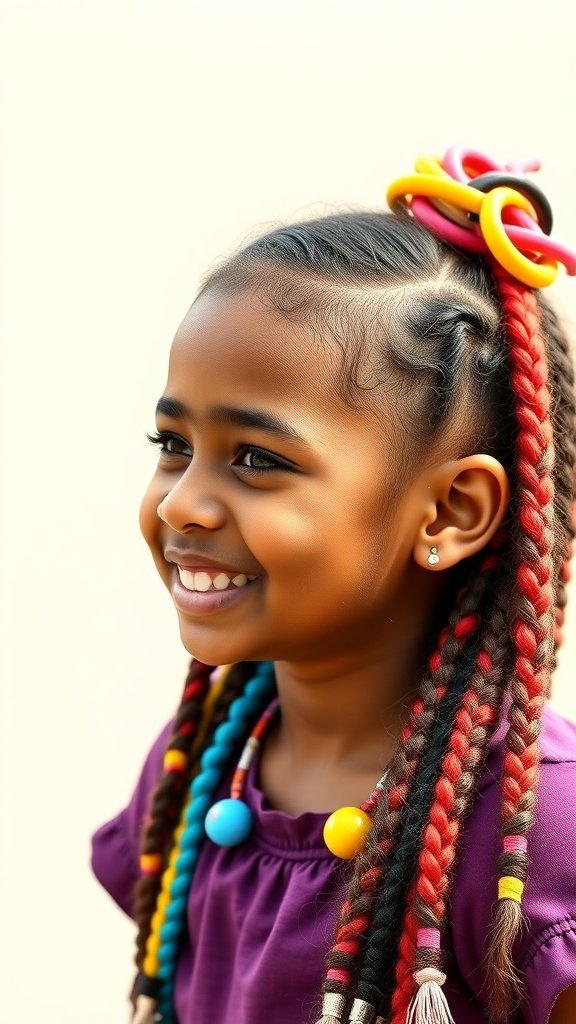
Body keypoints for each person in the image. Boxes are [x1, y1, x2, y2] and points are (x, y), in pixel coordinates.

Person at [91, 147, 576, 1024]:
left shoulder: (537, 836)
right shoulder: (205, 771)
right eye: (172, 445)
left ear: (449, 513)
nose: (186, 503)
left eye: (257, 459)